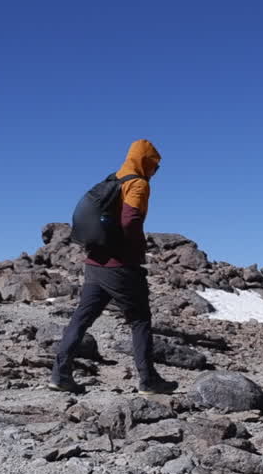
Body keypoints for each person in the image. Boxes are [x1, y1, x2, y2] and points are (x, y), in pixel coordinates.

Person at [50, 139, 178, 395]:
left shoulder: (113, 179)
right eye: (154, 164)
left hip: (95, 263)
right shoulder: (137, 184)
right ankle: (148, 380)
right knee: (140, 320)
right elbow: (130, 220)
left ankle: (60, 375)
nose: (155, 170)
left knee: (81, 318)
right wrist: (133, 250)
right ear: (145, 161)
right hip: (120, 266)